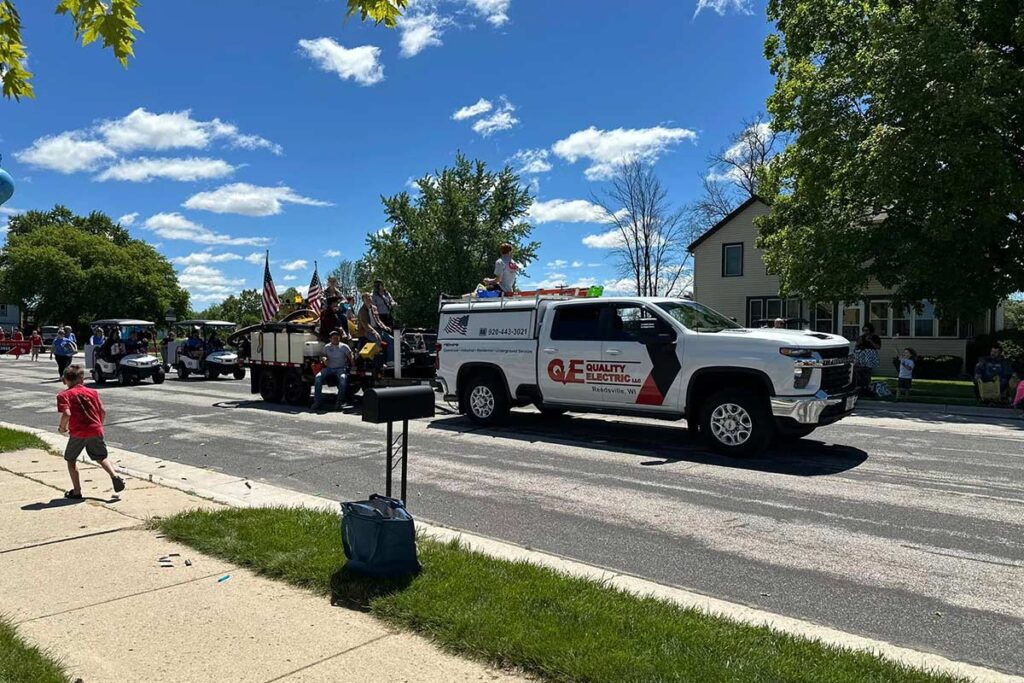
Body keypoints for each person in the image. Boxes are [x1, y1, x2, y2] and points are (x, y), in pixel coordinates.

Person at [57, 364, 125, 499]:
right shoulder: (93, 392)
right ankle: (114, 475)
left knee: (71, 460)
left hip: (78, 432)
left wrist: (62, 428)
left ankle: (77, 491)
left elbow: (67, 414)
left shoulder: (64, 395)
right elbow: (103, 411)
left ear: (65, 380)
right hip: (95, 429)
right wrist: (99, 424)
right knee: (101, 457)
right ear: (82, 379)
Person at [312, 329, 353, 411]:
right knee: (318, 377)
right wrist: (324, 359)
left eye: (337, 337)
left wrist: (353, 365)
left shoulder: (344, 346)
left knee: (343, 379)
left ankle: (339, 402)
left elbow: (350, 356)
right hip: (329, 368)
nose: (335, 339)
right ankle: (317, 401)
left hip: (341, 368)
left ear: (339, 338)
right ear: (330, 339)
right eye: (333, 338)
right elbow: (323, 356)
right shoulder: (327, 347)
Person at [357, 292, 394, 364]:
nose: (368, 299)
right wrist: (374, 332)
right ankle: (378, 362)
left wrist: (385, 327)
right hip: (366, 331)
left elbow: (378, 320)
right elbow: (365, 324)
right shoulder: (362, 311)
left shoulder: (374, 308)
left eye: (369, 297)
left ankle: (390, 361)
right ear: (363, 300)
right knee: (377, 340)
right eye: (366, 297)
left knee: (392, 340)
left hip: (378, 330)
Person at [853, 323, 882, 395]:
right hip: (861, 356)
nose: (865, 332)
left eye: (867, 330)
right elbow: (856, 348)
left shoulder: (875, 337)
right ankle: (860, 388)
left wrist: (870, 341)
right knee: (859, 371)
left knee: (867, 372)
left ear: (871, 330)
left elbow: (878, 347)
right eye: (864, 330)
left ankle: (867, 388)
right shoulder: (861, 337)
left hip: (870, 356)